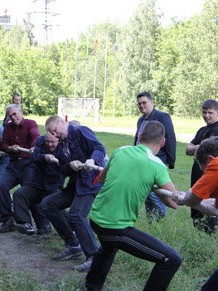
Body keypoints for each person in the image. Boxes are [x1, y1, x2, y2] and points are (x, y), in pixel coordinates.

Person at [85, 121, 182, 291]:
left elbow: (101, 179)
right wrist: (161, 189)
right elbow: (173, 203)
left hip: (95, 218)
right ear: (163, 142)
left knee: (108, 247)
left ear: (139, 137)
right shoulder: (157, 165)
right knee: (171, 259)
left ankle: (91, 286)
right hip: (114, 228)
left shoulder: (120, 151)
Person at [41, 115, 106, 272]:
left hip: (91, 183)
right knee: (47, 205)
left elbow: (99, 148)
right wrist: (70, 165)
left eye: (55, 130)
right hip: (75, 185)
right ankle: (73, 244)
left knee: (76, 215)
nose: (55, 135)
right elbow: (62, 169)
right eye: (51, 133)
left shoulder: (80, 131)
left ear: (63, 123)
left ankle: (95, 257)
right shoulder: (61, 144)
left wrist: (92, 160)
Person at [178, 136, 218, 290]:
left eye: (203, 170)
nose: (205, 176)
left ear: (210, 159)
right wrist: (183, 198)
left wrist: (184, 199)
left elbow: (193, 200)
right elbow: (217, 205)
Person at [0, 104, 40, 232]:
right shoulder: (8, 127)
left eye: (15, 114)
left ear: (21, 112)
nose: (13, 117)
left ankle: (41, 223)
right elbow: (3, 144)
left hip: (29, 164)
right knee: (2, 186)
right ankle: (7, 220)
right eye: (10, 115)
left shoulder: (31, 123)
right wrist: (10, 148)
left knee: (28, 191)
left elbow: (36, 136)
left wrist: (33, 147)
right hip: (14, 164)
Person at [185, 99, 218, 233]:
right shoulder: (202, 130)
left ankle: (211, 233)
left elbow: (211, 154)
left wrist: (197, 147)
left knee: (209, 205)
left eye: (210, 113)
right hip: (197, 172)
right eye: (204, 112)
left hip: (210, 174)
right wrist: (201, 145)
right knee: (196, 203)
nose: (207, 116)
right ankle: (199, 232)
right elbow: (187, 149)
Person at [134, 91, 176, 220]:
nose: (142, 105)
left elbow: (170, 138)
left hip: (157, 160)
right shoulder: (141, 120)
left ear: (151, 102)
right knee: (148, 193)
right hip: (141, 161)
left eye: (144, 102)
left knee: (157, 194)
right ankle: (151, 221)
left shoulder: (162, 117)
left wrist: (170, 161)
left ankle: (159, 221)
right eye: (139, 104)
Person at [13, 133, 65, 235]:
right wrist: (44, 157)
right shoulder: (40, 141)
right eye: (47, 142)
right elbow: (35, 156)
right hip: (37, 183)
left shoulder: (64, 147)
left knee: (55, 206)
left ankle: (72, 229)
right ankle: (25, 224)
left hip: (54, 184)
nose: (49, 144)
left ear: (58, 140)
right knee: (19, 194)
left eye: (52, 142)